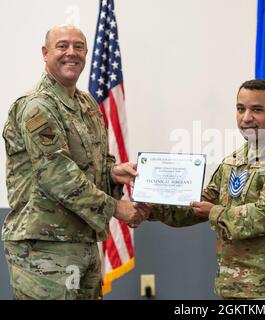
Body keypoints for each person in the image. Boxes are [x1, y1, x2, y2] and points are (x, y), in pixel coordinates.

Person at [2, 24, 146, 300]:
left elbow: (94, 164)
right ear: (45, 53)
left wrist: (113, 172)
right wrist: (116, 208)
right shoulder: (37, 106)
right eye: (62, 46)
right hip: (44, 248)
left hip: (83, 240)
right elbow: (57, 175)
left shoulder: (87, 104)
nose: (72, 53)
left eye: (78, 47)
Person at [144, 79, 265, 299]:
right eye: (240, 109)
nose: (246, 118)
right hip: (233, 286)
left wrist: (215, 212)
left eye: (256, 110)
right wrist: (150, 207)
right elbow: (199, 204)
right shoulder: (235, 159)